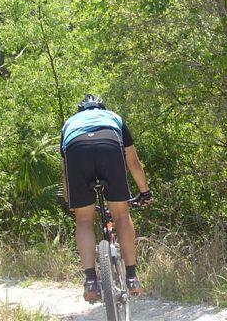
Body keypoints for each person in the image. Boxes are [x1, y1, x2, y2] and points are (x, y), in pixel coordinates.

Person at [60, 94, 152, 302]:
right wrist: (144, 191)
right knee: (121, 215)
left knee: (83, 220)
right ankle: (132, 277)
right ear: (101, 107)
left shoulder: (69, 124)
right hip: (108, 145)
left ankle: (91, 281)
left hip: (77, 150)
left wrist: (70, 201)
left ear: (80, 111)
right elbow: (133, 163)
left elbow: (65, 171)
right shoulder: (113, 117)